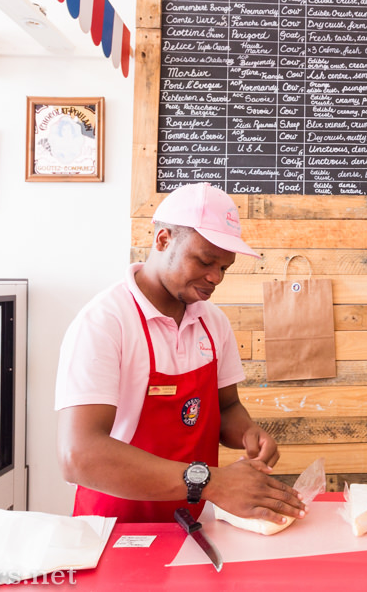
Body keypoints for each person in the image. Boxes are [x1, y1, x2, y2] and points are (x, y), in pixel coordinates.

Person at [55, 182, 306, 525]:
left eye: (224, 268)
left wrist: (248, 432)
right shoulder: (105, 322)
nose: (215, 277)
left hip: (192, 521)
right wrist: (211, 481)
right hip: (114, 527)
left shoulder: (213, 323)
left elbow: (227, 407)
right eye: (205, 261)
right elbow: (79, 455)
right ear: (163, 240)